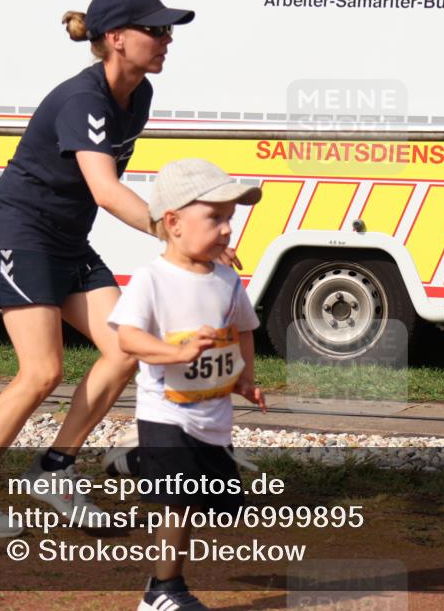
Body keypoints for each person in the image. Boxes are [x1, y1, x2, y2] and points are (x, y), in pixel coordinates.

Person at [0, 0, 209, 538]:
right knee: (42, 371)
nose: (167, 39)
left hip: (67, 240)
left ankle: (53, 469)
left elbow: (104, 188)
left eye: (169, 29)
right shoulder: (84, 98)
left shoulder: (138, 94)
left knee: (126, 347)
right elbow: (104, 189)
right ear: (116, 39)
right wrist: (176, 232)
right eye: (156, 29)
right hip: (20, 232)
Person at [106, 158, 266, 611]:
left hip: (212, 418)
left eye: (230, 219)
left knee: (212, 504)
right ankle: (163, 593)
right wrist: (175, 353)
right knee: (177, 502)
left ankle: (137, 462)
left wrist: (244, 379)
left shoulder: (227, 280)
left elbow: (244, 328)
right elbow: (129, 337)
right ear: (173, 223)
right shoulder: (152, 280)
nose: (227, 229)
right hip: (165, 413)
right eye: (215, 217)